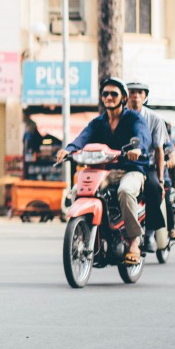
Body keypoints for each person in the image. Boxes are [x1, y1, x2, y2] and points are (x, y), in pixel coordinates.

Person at [56, 77, 152, 263]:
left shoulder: (133, 118)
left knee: (125, 191)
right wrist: (68, 150)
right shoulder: (98, 122)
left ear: (123, 98)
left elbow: (142, 135)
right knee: (79, 190)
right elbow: (83, 137)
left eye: (113, 94)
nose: (109, 97)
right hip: (106, 171)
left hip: (131, 169)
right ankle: (88, 234)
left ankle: (134, 240)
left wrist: (137, 149)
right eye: (105, 94)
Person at [126, 80, 175, 241]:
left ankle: (149, 232)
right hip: (124, 164)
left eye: (139, 93)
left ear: (145, 97)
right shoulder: (118, 116)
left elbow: (159, 150)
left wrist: (161, 179)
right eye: (131, 92)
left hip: (148, 166)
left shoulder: (155, 119)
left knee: (155, 188)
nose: (135, 96)